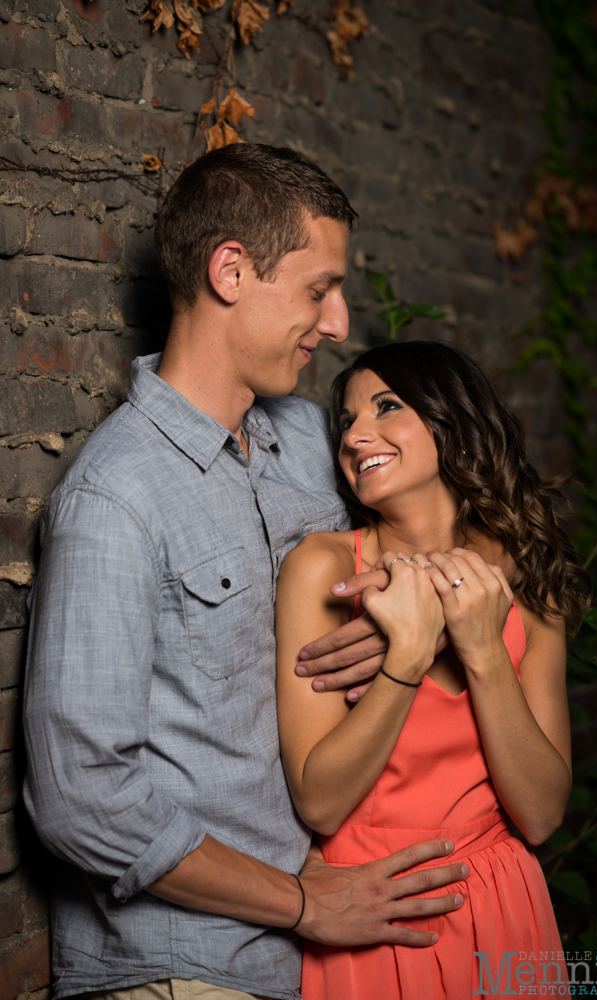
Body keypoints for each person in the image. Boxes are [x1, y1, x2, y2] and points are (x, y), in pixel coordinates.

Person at [21, 147, 474, 1000]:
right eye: (316, 290)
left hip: (314, 963)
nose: (338, 322)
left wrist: (400, 620)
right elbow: (82, 802)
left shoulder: (309, 441)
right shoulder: (113, 502)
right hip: (181, 971)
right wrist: (300, 902)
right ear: (230, 270)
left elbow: (451, 525)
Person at [275, 340, 591, 999]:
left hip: (503, 907)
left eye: (385, 407)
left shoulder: (527, 578)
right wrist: (408, 656)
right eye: (346, 420)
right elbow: (321, 800)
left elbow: (538, 814)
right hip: (376, 912)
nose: (356, 434)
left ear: (452, 421)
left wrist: (479, 648)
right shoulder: (324, 569)